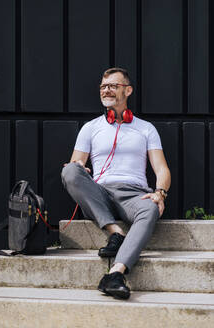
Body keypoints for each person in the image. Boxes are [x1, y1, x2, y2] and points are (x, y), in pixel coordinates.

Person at [61, 67, 171, 300]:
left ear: (128, 90)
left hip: (134, 195)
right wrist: (80, 168)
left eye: (113, 86)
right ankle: (115, 232)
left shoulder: (145, 128)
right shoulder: (90, 127)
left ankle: (115, 274)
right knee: (69, 171)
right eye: (103, 86)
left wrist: (160, 192)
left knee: (151, 208)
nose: (106, 90)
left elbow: (161, 168)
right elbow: (75, 164)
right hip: (100, 193)